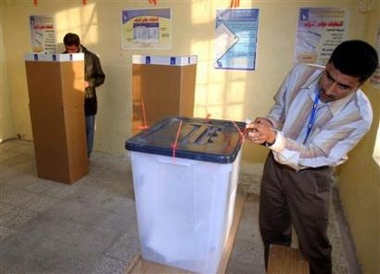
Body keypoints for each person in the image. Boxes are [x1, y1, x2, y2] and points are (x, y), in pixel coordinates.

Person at [245, 40, 378, 274]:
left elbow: (315, 153)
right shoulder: (301, 73)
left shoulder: (358, 116)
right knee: (272, 231)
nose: (329, 89)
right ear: (327, 63)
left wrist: (274, 138)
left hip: (311, 176)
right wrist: (268, 123)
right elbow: (280, 109)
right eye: (329, 76)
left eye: (343, 87)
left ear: (360, 84)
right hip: (275, 165)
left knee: (313, 244)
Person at [63, 33, 105, 157]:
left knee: (89, 128)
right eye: (67, 49)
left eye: (72, 49)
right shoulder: (63, 57)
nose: (70, 52)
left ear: (78, 45)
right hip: (69, 100)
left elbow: (101, 77)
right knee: (72, 129)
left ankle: (86, 156)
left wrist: (88, 83)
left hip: (88, 99)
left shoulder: (91, 58)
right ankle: (74, 156)